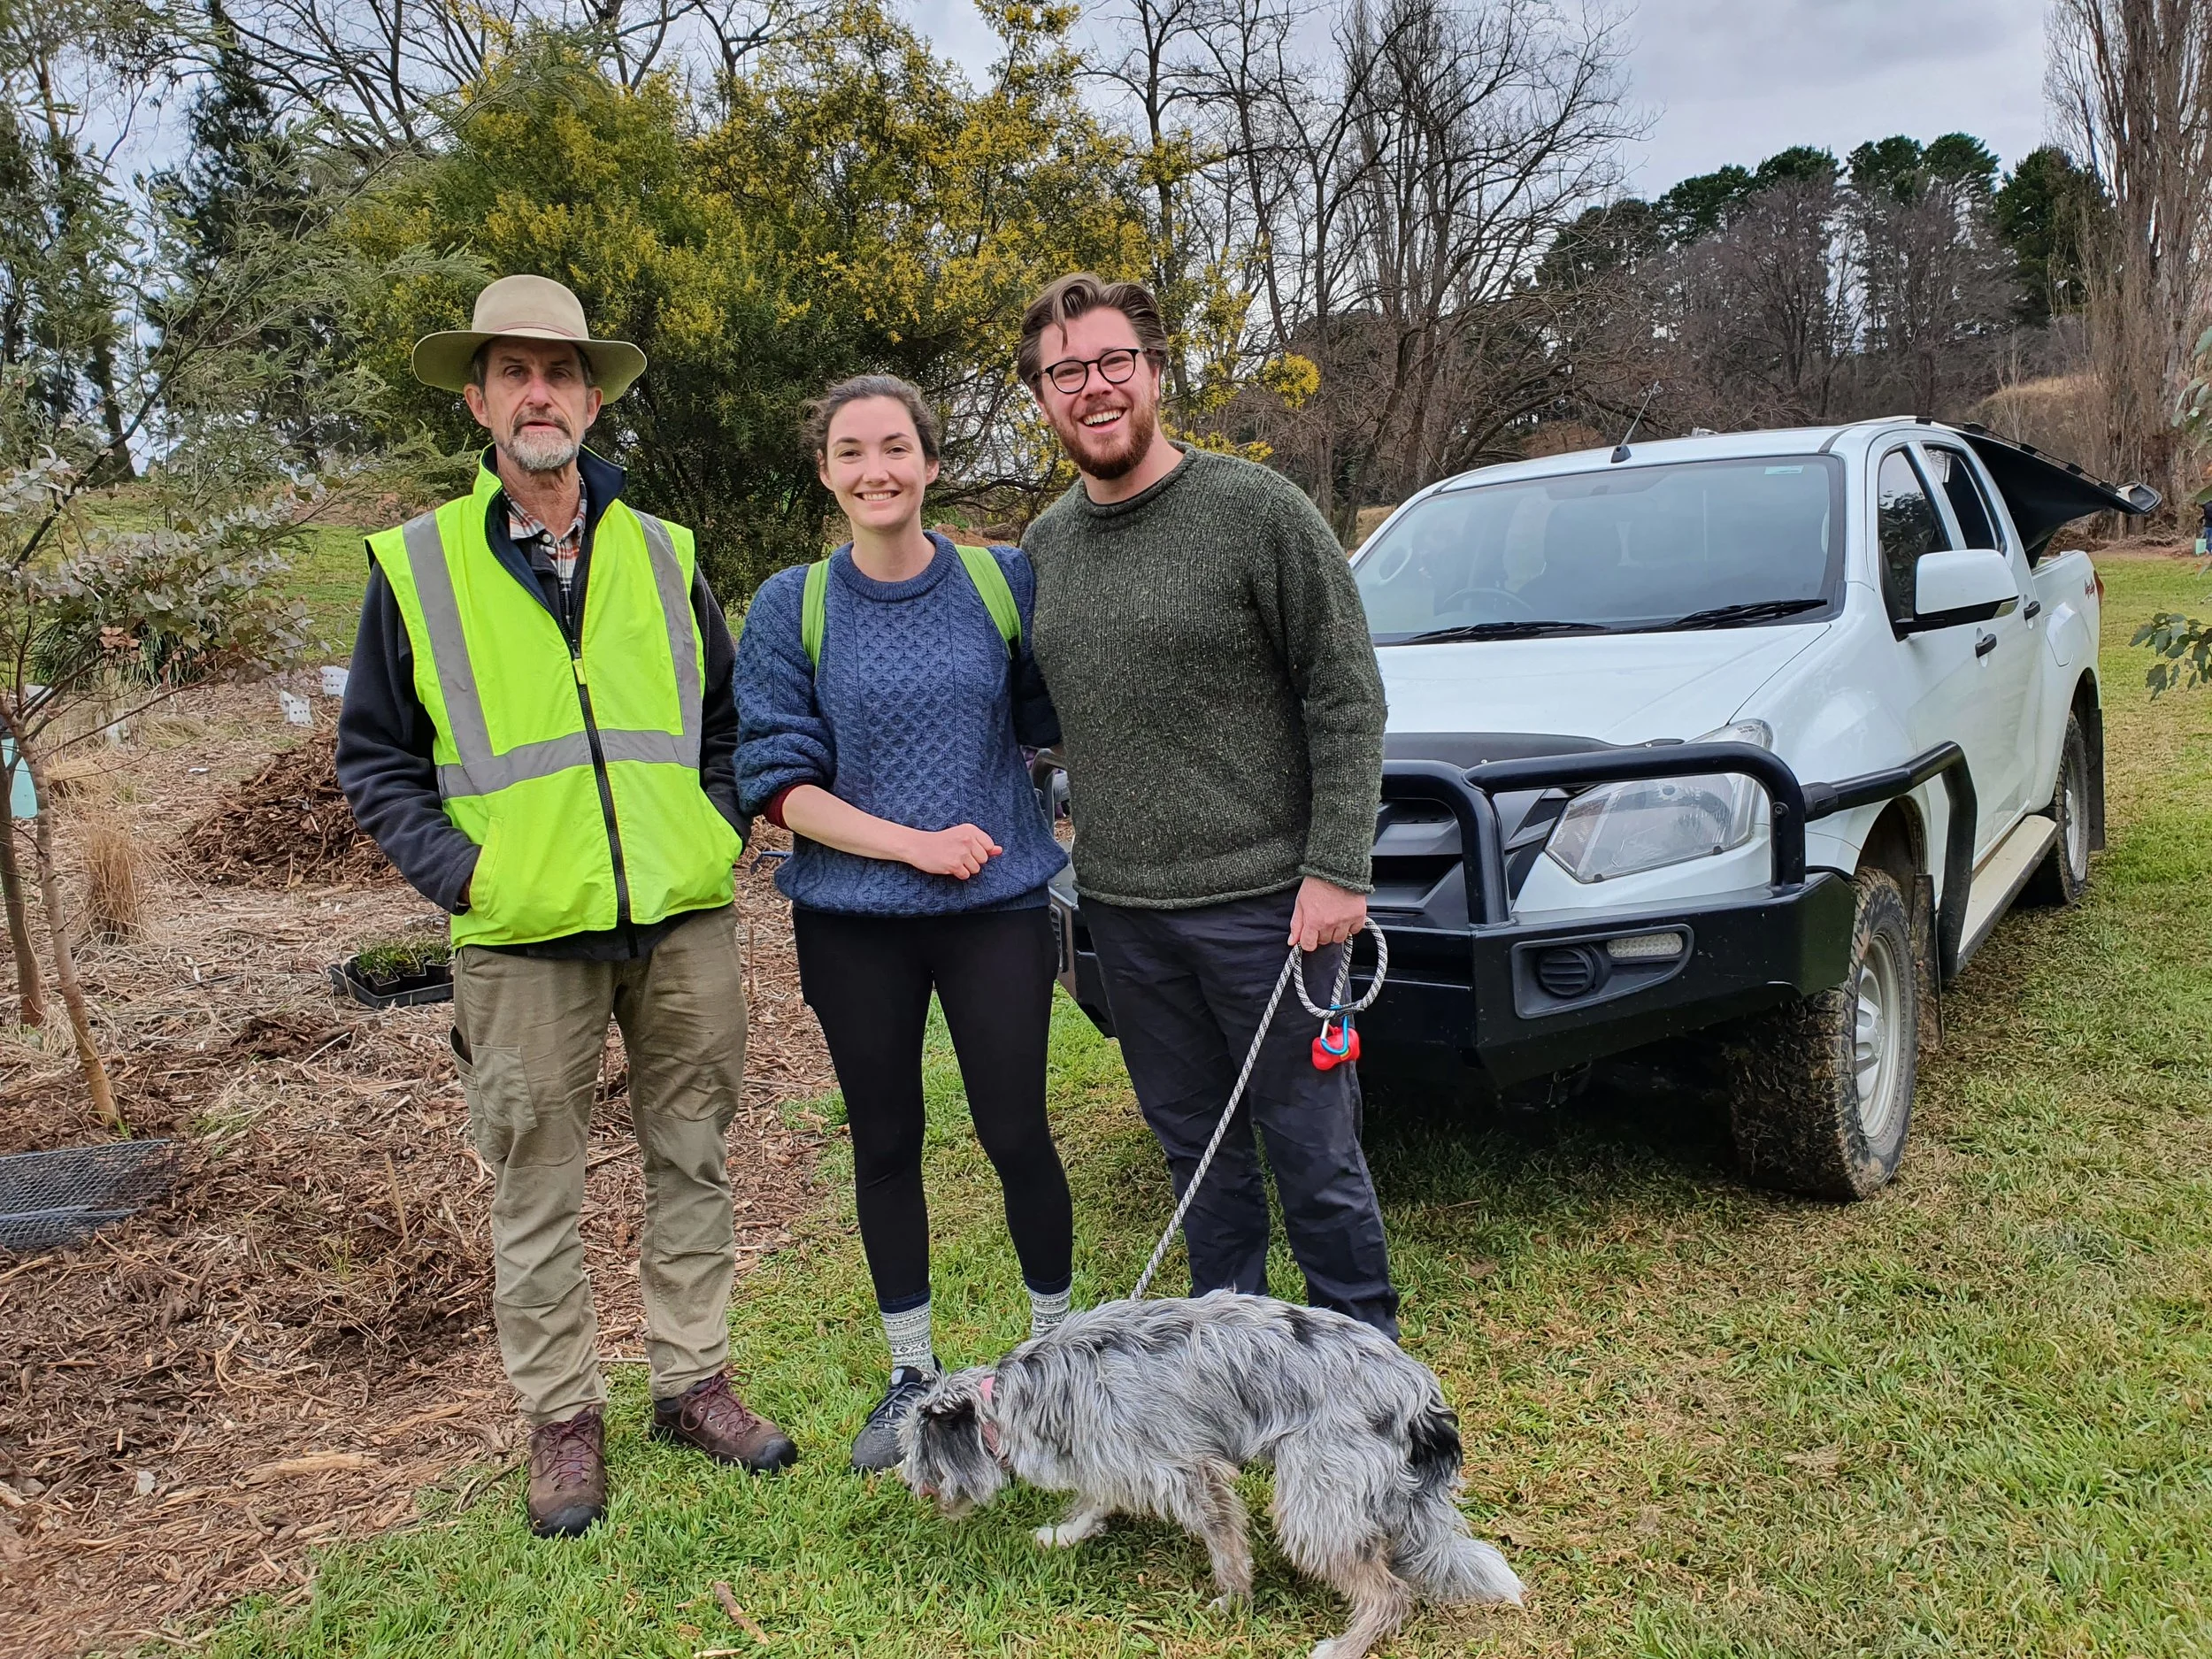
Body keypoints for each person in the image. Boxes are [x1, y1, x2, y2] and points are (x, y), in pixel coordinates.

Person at [337, 274, 797, 1540]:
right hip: (520, 932)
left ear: (593, 399)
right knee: (534, 1182)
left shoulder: (664, 553)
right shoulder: (418, 565)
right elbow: (373, 755)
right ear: (481, 400)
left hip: (681, 912)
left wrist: (709, 824)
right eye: (514, 372)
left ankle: (691, 1378)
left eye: (562, 372)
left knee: (692, 1152)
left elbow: (723, 722)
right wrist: (468, 875)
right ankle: (560, 1418)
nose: (539, 393)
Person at [1016, 273, 1401, 1338]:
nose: (1091, 389)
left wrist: (1338, 869)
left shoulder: (1256, 512)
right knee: (1200, 1164)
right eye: (1064, 374)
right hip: (1127, 915)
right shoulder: (1045, 548)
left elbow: (1345, 691)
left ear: (1152, 372)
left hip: (1270, 909)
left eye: (1110, 364)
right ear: (1041, 398)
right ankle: (1229, 1384)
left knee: (1313, 1156)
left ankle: (1368, 1391)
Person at [735, 375, 1076, 1470]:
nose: (874, 469)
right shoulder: (793, 606)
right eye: (850, 451)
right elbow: (777, 785)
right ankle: (911, 1376)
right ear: (826, 472)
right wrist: (913, 843)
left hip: (997, 910)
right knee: (885, 1140)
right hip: (854, 920)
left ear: (930, 462)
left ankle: (1057, 1364)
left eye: (895, 447)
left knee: (1015, 1130)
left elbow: (1054, 711)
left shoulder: (999, 580)